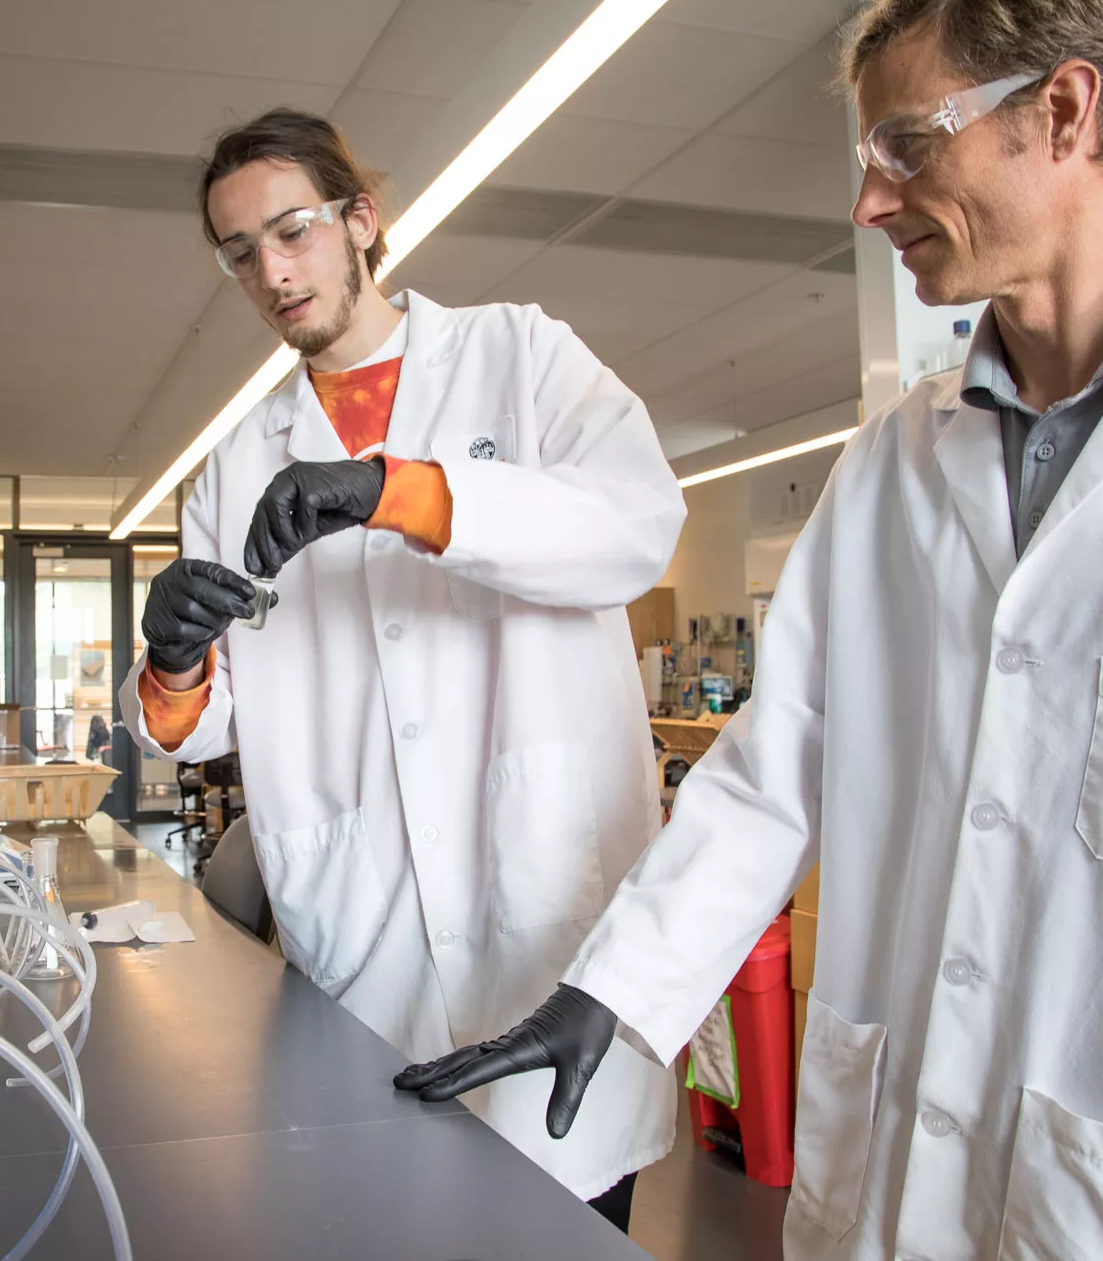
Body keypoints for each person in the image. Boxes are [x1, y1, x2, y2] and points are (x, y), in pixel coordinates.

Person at [397, 0, 1103, 1257]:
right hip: (881, 1197)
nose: (869, 203)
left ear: (1066, 110)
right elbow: (773, 773)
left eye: (905, 146)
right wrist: (614, 990)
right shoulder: (889, 469)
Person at [117, 108, 688, 1228]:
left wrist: (402, 493)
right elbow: (203, 718)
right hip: (363, 949)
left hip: (548, 925)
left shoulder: (519, 357)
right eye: (240, 253)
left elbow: (636, 526)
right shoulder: (233, 470)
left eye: (292, 232)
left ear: (360, 219)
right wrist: (175, 660)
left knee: (567, 1224)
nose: (272, 272)